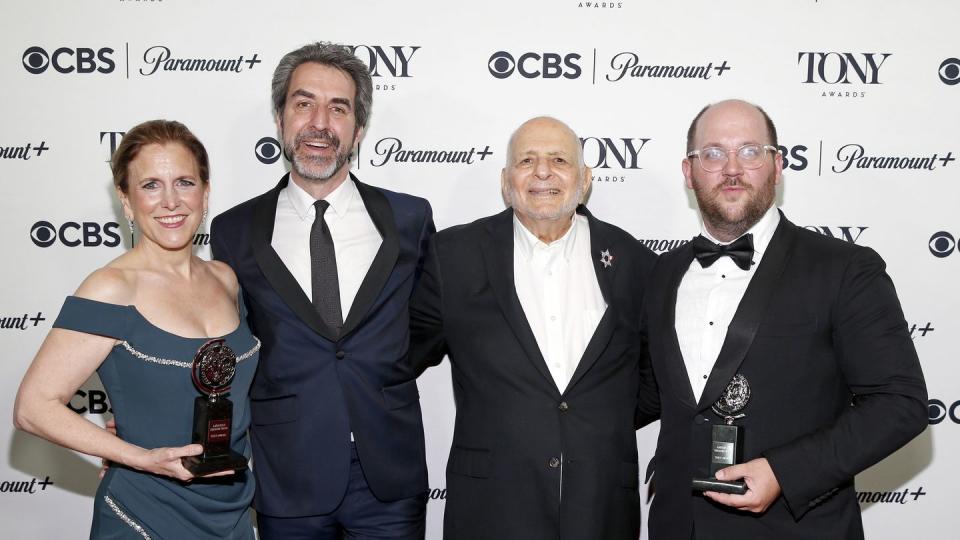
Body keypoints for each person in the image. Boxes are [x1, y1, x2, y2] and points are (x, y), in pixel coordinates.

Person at [642, 99, 928, 539]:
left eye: (751, 151)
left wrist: (784, 471)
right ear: (689, 171)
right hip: (678, 526)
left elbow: (899, 405)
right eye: (713, 154)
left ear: (777, 166)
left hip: (796, 528)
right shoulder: (662, 273)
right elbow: (645, 393)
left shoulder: (845, 269)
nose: (732, 168)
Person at [210, 42, 433, 539]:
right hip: (287, 472)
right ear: (280, 117)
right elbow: (221, 344)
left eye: (339, 108)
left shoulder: (410, 217)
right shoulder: (234, 230)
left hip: (389, 476)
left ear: (358, 129)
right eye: (304, 103)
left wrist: (381, 369)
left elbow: (426, 325)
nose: (320, 123)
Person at [408, 116, 658, 540]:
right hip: (491, 508)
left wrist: (594, 424)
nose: (543, 172)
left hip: (601, 510)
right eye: (527, 160)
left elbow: (655, 381)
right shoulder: (452, 257)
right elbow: (399, 355)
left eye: (559, 159)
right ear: (507, 182)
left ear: (585, 180)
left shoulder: (635, 263)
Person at [14, 119, 258, 539]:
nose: (170, 201)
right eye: (150, 186)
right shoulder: (110, 288)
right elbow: (33, 407)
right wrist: (138, 456)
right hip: (146, 515)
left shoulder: (226, 279)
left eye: (184, 182)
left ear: (205, 192)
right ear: (125, 201)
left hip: (233, 510)